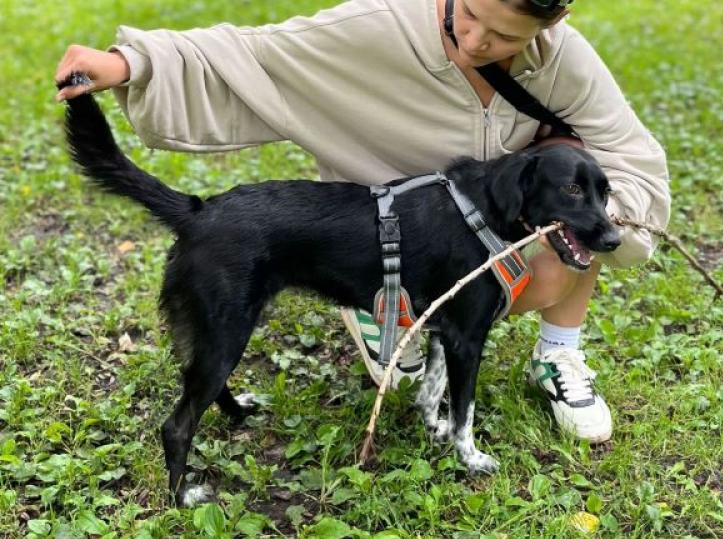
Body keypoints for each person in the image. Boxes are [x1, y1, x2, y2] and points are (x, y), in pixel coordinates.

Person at [55, 0, 670, 444]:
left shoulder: (566, 60)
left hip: (504, 223)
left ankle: (556, 353)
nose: (477, 41)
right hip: (380, 224)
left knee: (575, 226)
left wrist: (585, 206)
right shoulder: (378, 27)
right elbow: (253, 51)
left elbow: (630, 157)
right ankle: (385, 299)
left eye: (504, 35)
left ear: (551, 22)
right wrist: (131, 62)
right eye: (471, 16)